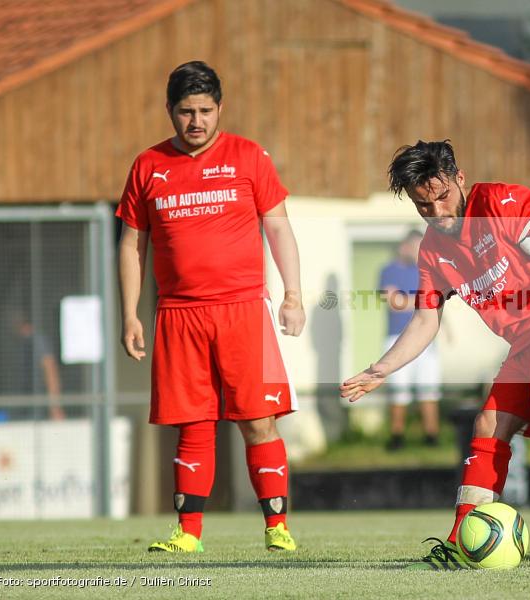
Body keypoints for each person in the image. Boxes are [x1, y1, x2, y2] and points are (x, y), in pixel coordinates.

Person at [341, 140, 530, 570]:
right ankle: (461, 541)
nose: (437, 212)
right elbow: (425, 321)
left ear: (459, 179)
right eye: (424, 206)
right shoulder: (433, 251)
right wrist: (379, 369)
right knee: (488, 424)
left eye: (442, 196)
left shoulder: (500, 202)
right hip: (527, 341)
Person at [117, 61, 304, 553]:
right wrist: (130, 313)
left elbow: (279, 227)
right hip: (178, 314)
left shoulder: (248, 157)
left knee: (258, 420)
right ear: (169, 112)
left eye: (204, 110)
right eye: (185, 112)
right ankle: (188, 534)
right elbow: (132, 244)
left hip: (243, 309)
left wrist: (293, 295)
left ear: (220, 108)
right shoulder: (147, 165)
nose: (195, 121)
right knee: (193, 422)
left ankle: (277, 529)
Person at [379, 229, 441, 450]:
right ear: (404, 246)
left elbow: (436, 303)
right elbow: (394, 302)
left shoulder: (426, 271)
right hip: (397, 338)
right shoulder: (389, 270)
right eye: (415, 246)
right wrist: (421, 300)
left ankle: (431, 437)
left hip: (426, 339)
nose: (418, 252)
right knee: (399, 390)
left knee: (429, 388)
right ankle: (397, 437)